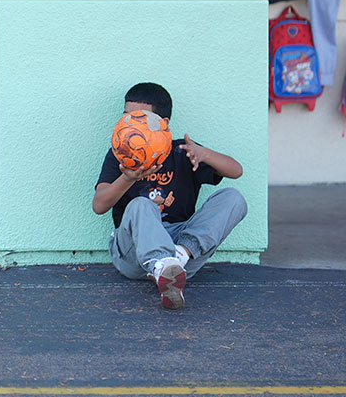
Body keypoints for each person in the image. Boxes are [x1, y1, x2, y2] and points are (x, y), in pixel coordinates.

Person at [93, 82, 247, 310]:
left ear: (163, 124)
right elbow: (99, 205)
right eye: (127, 117)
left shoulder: (182, 152)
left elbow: (236, 170)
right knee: (141, 205)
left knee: (233, 198)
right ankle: (160, 263)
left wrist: (205, 154)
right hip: (134, 254)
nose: (130, 126)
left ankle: (176, 259)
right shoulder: (120, 154)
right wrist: (127, 178)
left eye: (140, 119)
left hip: (181, 247)